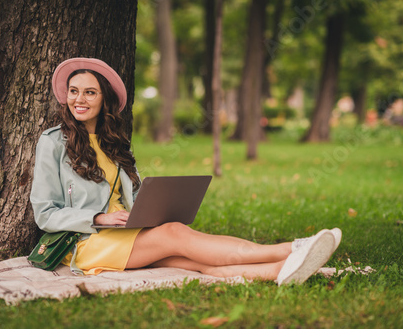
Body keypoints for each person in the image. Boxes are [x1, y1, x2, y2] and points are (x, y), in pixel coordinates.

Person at [30, 57, 342, 285]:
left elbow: (134, 196)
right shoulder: (53, 142)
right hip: (87, 240)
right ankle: (294, 247)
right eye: (74, 91)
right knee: (177, 234)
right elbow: (45, 212)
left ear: (104, 99)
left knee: (195, 261)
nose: (79, 99)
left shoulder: (114, 142)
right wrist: (99, 218)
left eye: (89, 92)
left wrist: (150, 210)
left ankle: (279, 270)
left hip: (126, 231)